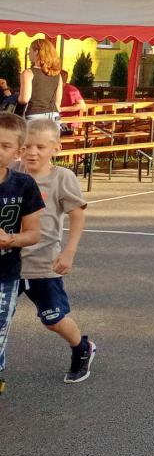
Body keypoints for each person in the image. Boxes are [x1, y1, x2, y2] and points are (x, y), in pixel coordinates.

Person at [18, 119, 95, 383]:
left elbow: (77, 215)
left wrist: (69, 252)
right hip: (9, 262)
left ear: (56, 148)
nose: (32, 153)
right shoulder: (11, 172)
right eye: (26, 146)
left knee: (53, 319)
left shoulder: (62, 178)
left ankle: (82, 347)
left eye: (40, 147)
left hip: (43, 264)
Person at [0, 112, 45, 396]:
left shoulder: (24, 185)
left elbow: (34, 234)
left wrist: (10, 239)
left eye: (4, 146)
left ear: (18, 152)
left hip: (5, 276)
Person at [19, 39, 62, 125]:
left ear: (36, 52)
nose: (28, 53)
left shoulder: (28, 73)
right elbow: (58, 102)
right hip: (53, 116)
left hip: (34, 116)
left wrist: (14, 98)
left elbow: (24, 99)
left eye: (30, 50)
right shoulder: (57, 75)